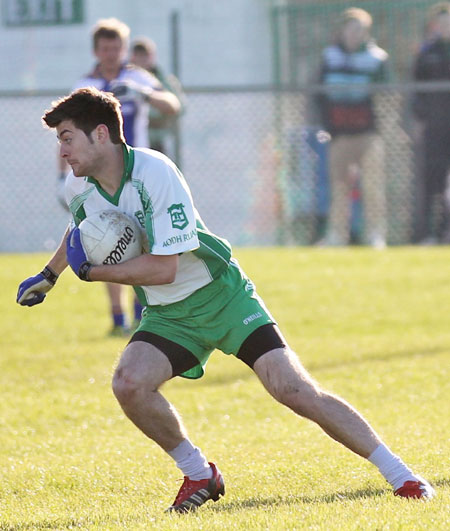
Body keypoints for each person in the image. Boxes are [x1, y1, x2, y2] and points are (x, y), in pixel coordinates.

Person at [17, 87, 434, 513]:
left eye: (67, 137)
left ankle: (402, 476)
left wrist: (94, 273)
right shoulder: (78, 187)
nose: (62, 150)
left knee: (293, 388)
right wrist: (50, 276)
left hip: (223, 296)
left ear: (100, 135)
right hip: (169, 314)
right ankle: (199, 472)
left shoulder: (155, 173)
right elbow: (84, 231)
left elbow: (165, 268)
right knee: (129, 384)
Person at [61, 17, 181, 336]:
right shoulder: (84, 87)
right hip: (99, 176)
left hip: (136, 170)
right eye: (105, 48)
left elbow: (172, 105)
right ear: (96, 51)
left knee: (141, 242)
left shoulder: (137, 78)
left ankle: (142, 312)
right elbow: (65, 134)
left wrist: (143, 93)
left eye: (117, 47)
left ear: (124, 48)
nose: (112, 54)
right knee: (105, 240)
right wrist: (62, 177)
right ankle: (117, 317)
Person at [315, 8, 389, 249]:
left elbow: (387, 97)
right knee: (338, 187)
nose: (354, 34)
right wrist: (326, 125)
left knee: (372, 186)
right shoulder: (329, 57)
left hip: (368, 133)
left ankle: (376, 235)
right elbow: (318, 94)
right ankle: (337, 235)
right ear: (342, 30)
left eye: (360, 30)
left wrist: (382, 126)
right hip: (338, 135)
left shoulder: (377, 58)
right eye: (350, 28)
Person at [412, 2, 450, 244]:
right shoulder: (427, 53)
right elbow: (416, 91)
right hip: (435, 127)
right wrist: (419, 120)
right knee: (432, 180)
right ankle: (429, 233)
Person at [130, 36, 184, 155]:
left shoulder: (165, 81)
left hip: (157, 139)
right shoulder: (126, 79)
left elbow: (178, 107)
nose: (142, 59)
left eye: (145, 55)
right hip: (131, 140)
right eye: (138, 55)